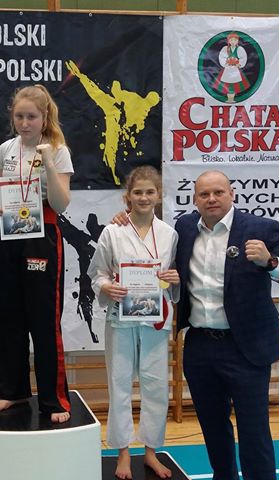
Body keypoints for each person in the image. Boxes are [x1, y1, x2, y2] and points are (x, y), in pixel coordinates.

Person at [176, 170, 279, 480]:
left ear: (232, 194)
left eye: (218, 192)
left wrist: (270, 262)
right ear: (195, 199)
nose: (212, 199)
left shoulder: (261, 228)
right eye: (204, 194)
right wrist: (122, 219)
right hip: (200, 346)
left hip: (245, 348)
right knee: (212, 427)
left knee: (253, 430)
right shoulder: (184, 228)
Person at [0, 84, 74, 423]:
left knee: (43, 318)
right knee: (8, 314)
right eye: (19, 116)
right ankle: (13, 390)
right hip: (8, 233)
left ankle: (54, 399)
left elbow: (62, 203)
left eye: (32, 117)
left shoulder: (58, 150)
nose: (25, 123)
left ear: (44, 116)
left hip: (43, 232)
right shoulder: (6, 149)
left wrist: (48, 161)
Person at [88, 166, 179, 480]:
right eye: (137, 192)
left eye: (149, 192)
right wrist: (105, 286)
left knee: (156, 386)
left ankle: (151, 452)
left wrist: (174, 278)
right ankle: (123, 452)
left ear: (159, 195)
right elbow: (97, 272)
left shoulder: (169, 234)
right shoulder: (112, 232)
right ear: (127, 196)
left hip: (155, 318)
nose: (143, 197)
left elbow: (174, 277)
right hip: (121, 318)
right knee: (120, 384)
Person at [213, 32, 250, 103]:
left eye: (235, 40)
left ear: (237, 41)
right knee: (227, 84)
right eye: (231, 40)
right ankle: (229, 99)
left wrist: (239, 64)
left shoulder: (239, 49)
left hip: (235, 70)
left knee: (234, 84)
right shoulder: (225, 49)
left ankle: (232, 99)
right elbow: (222, 57)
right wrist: (225, 63)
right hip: (227, 70)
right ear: (228, 41)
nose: (233, 42)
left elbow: (243, 57)